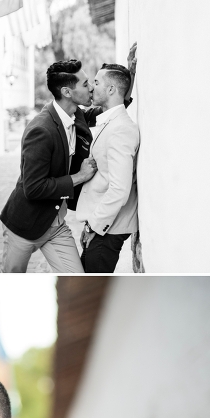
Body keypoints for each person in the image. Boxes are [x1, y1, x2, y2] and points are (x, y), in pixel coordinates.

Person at [0, 59, 99, 273]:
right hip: (23, 227)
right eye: (85, 84)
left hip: (55, 227)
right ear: (67, 92)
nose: (91, 87)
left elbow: (105, 109)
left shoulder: (75, 114)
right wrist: (80, 176)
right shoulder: (41, 130)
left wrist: (125, 81)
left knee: (76, 276)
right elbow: (33, 188)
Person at [76, 63, 140, 272]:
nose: (91, 88)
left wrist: (95, 226)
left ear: (111, 89)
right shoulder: (110, 122)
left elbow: (119, 189)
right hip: (100, 225)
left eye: (96, 82)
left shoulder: (121, 129)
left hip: (107, 230)